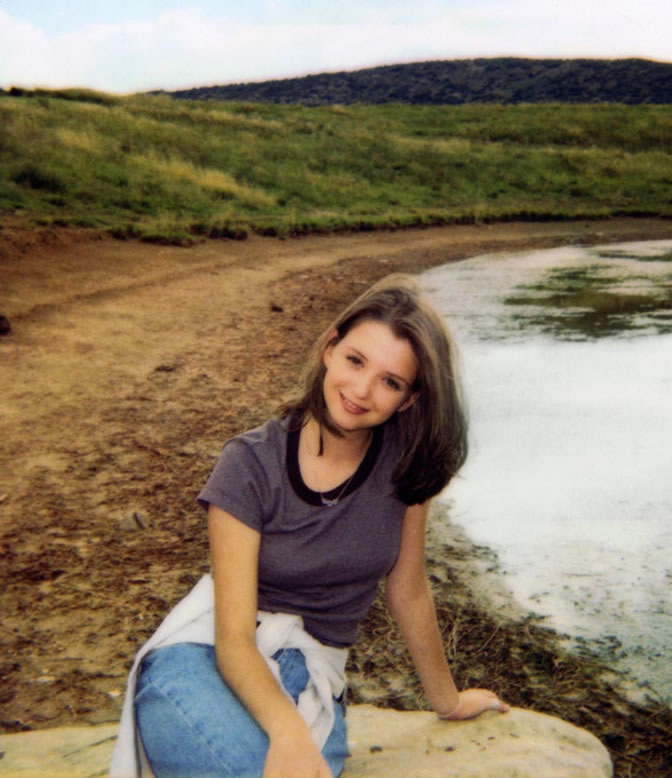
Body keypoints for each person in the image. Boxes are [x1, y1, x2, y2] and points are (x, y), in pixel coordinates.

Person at [110, 273, 509, 778]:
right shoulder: (249, 464)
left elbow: (408, 590)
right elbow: (233, 639)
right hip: (206, 654)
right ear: (329, 349)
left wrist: (447, 702)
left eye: (390, 382)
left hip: (313, 672)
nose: (361, 390)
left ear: (409, 399)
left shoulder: (406, 469)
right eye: (355, 361)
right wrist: (287, 733)